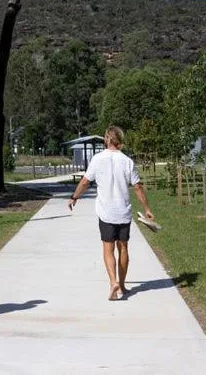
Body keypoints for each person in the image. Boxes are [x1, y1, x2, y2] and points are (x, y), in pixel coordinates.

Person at [68, 126, 154, 300]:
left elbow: (85, 182)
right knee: (123, 249)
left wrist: (74, 197)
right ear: (119, 139)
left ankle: (113, 282)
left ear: (106, 139)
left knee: (108, 250)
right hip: (123, 212)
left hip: (106, 213)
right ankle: (122, 285)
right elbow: (137, 187)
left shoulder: (97, 159)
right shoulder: (127, 161)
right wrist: (147, 209)